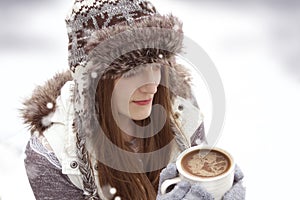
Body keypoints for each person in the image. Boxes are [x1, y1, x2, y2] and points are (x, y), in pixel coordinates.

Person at [21, 0, 245, 199]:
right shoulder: (52, 156)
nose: (152, 86)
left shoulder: (181, 109)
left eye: (156, 65)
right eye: (131, 72)